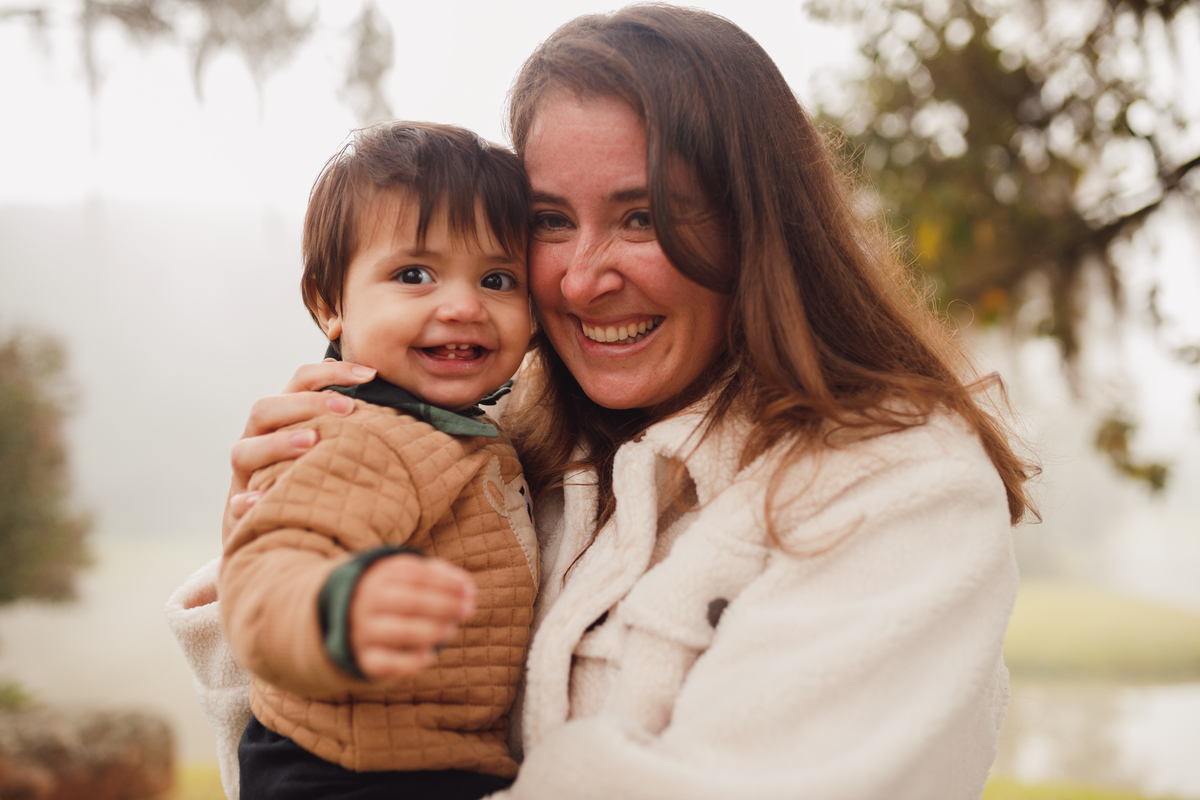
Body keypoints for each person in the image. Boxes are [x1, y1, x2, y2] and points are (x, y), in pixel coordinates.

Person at [167, 6, 1032, 799]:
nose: (583, 278)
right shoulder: (503, 453)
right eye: (548, 221)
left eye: (643, 217)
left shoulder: (895, 487)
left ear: (757, 228)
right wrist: (268, 537)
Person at [215, 120, 538, 800]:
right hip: (346, 774)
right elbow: (272, 567)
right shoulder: (362, 435)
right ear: (329, 303)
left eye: (499, 278)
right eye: (413, 274)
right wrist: (338, 610)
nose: (463, 306)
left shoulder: (461, 431)